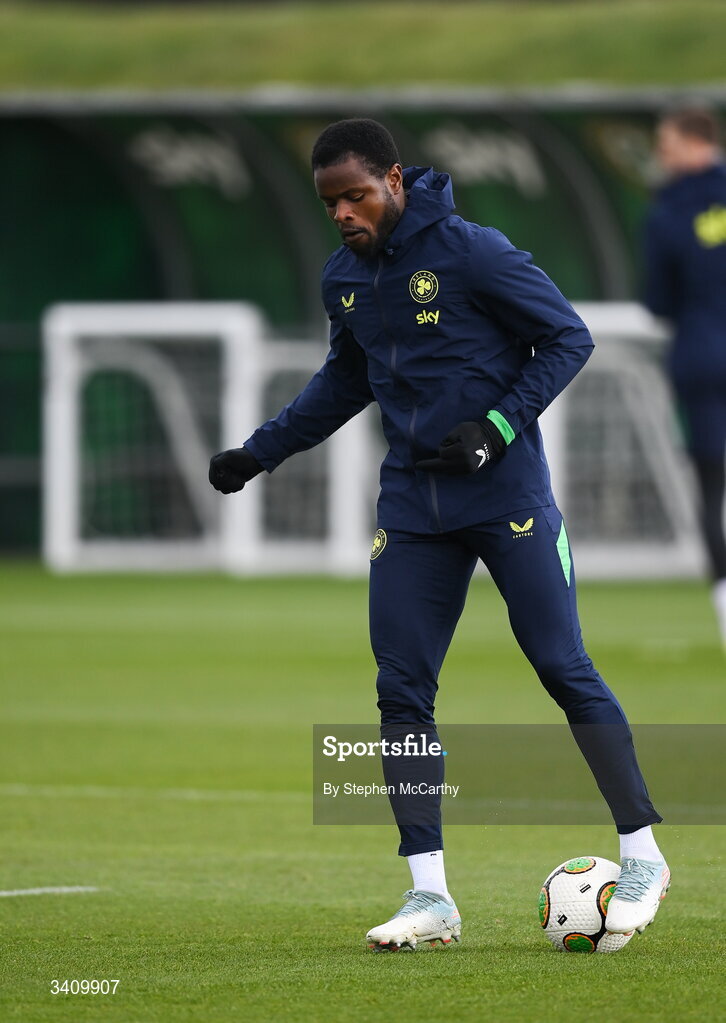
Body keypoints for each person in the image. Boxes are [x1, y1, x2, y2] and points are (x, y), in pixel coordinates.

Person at [209, 118, 669, 950]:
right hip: (414, 508)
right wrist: (257, 452)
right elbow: (342, 381)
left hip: (508, 496)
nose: (343, 212)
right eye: (329, 202)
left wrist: (497, 423)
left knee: (562, 665)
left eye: (354, 194)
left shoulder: (470, 249)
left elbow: (568, 337)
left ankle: (642, 854)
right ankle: (431, 896)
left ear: (393, 179)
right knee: (400, 691)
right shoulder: (343, 279)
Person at [644, 106, 726, 645]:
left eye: (667, 146)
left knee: (711, 482)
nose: (661, 156)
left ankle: (724, 604)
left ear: (695, 143)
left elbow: (657, 300)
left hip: (702, 358)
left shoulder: (667, 210)